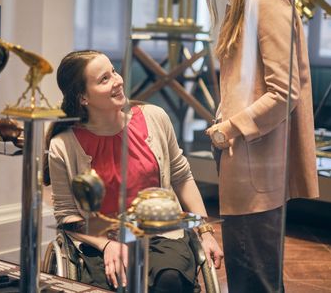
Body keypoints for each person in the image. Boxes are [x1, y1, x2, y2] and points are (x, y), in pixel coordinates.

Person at [202, 0, 319, 292]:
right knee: (249, 275)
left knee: (256, 280)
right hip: (245, 160)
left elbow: (286, 93)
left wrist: (229, 129)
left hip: (255, 163)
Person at [47, 50, 223, 292]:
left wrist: (205, 231)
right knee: (113, 285)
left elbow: (182, 177)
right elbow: (67, 216)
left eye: (114, 72)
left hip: (162, 234)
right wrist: (106, 245)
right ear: (83, 98)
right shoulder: (63, 145)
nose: (118, 80)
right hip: (101, 240)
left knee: (169, 280)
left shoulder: (155, 119)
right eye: (104, 79)